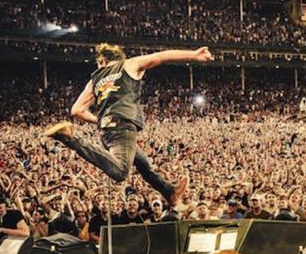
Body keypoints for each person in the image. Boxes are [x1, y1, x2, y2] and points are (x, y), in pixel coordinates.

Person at [43, 43, 211, 207]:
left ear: (102, 60)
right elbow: (161, 56)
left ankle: (169, 192)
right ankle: (70, 138)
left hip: (107, 131)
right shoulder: (129, 65)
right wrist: (193, 55)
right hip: (122, 126)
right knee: (121, 172)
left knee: (143, 164)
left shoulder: (94, 80)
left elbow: (76, 110)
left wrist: (101, 120)